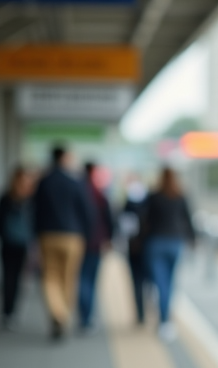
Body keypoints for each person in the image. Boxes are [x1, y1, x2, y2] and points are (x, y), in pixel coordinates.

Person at [33, 145, 93, 340]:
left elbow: (34, 210)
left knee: (50, 277)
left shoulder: (43, 182)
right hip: (72, 236)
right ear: (64, 158)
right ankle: (64, 315)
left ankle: (57, 313)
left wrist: (35, 235)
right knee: (69, 278)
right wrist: (87, 233)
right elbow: (86, 211)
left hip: (47, 235)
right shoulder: (75, 182)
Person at [141, 167, 195, 340]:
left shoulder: (153, 196)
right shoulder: (181, 196)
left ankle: (163, 319)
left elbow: (145, 220)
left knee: (159, 283)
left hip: (155, 243)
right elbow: (188, 220)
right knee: (170, 284)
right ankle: (166, 321)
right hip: (175, 243)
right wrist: (193, 240)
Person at [0, 165, 34, 329]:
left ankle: (8, 311)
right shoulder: (29, 199)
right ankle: (10, 311)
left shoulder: (6, 197)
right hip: (18, 243)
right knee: (14, 278)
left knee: (9, 277)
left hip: (11, 243)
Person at [77, 162, 115, 333]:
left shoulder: (77, 191)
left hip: (77, 241)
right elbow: (109, 218)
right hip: (96, 242)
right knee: (91, 279)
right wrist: (110, 238)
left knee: (80, 278)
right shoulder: (99, 194)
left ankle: (83, 316)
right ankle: (87, 318)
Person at [119, 177, 151, 326]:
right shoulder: (150, 201)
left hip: (134, 248)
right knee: (150, 281)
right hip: (149, 248)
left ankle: (140, 313)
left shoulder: (128, 204)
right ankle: (150, 308)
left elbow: (125, 227)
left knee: (136, 282)